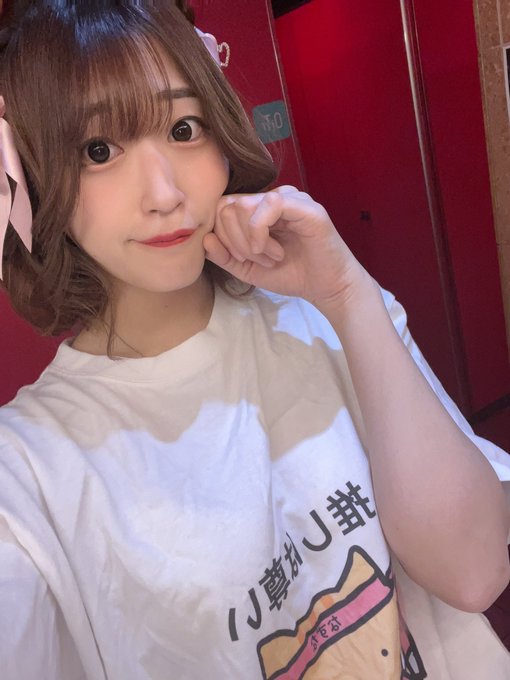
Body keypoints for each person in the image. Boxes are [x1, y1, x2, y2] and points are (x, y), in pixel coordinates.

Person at [0, 2, 509, 679]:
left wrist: (348, 296)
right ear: (32, 179)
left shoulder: (325, 316)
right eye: (99, 151)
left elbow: (475, 573)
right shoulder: (27, 473)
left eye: (184, 129)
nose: (164, 193)